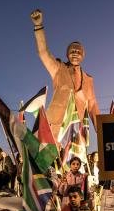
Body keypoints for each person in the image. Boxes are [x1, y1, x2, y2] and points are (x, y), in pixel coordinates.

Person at [30, 9, 100, 140]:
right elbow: (43, 53)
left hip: (76, 130)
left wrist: (103, 131)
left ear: (83, 56)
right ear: (67, 54)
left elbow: (92, 106)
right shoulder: (58, 68)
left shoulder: (89, 80)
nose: (75, 53)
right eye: (72, 51)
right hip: (55, 127)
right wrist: (38, 26)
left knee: (74, 160)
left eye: (78, 52)